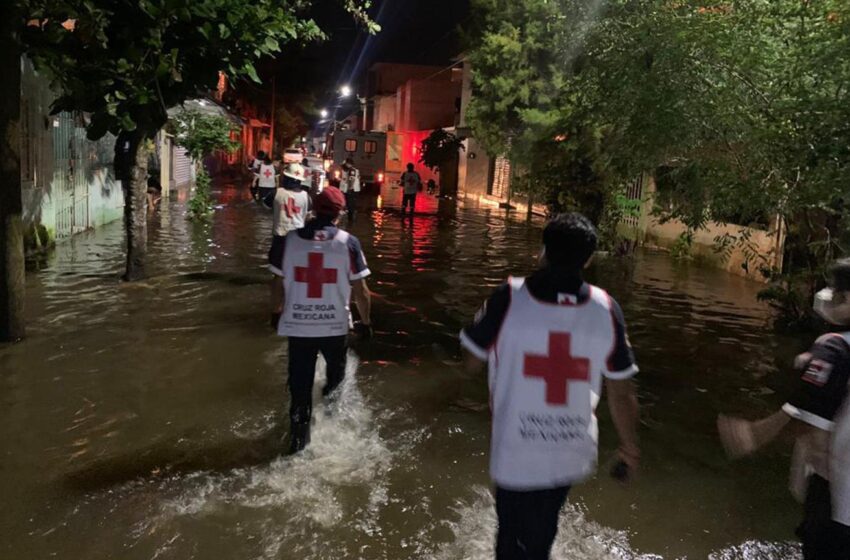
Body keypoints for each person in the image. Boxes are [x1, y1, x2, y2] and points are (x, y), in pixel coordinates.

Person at [460, 212, 640, 560]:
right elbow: (622, 390)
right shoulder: (606, 309)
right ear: (588, 259)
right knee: (543, 530)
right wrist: (630, 448)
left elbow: (470, 362)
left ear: (541, 251)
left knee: (510, 534)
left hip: (516, 444)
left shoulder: (509, 297)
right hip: (569, 445)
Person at [719, 258, 850, 560]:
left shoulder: (833, 348)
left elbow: (808, 421)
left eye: (837, 289)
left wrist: (754, 434)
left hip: (836, 504)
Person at [269, 186, 373, 454]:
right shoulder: (348, 243)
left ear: (313, 208)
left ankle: (298, 445)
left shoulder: (287, 240)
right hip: (334, 328)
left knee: (300, 389)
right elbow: (361, 291)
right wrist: (366, 322)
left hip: (299, 328)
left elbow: (277, 283)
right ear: (340, 213)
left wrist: (275, 311)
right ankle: (333, 433)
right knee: (336, 383)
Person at [268, 162, 312, 292]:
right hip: (299, 241)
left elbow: (265, 205)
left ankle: (276, 309)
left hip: (280, 239)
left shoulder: (276, 193)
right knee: (296, 274)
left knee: (278, 275)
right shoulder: (307, 197)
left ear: (285, 177)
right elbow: (309, 217)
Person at [339, 157, 361, 222]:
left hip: (351, 190)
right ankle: (350, 219)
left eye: (346, 164)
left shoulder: (352, 170)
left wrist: (350, 189)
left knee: (350, 205)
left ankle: (350, 220)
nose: (344, 165)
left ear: (349, 164)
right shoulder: (347, 170)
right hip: (348, 190)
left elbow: (352, 180)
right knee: (348, 204)